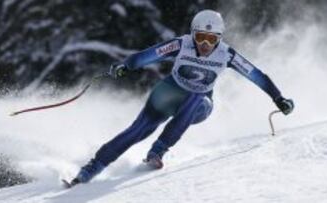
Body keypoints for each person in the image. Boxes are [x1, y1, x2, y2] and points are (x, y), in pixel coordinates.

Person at [69, 10, 294, 186]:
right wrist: (125, 67)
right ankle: (90, 169)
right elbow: (148, 56)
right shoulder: (181, 44)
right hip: (169, 92)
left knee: (197, 95)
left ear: (219, 39)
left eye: (211, 39)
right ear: (192, 34)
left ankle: (158, 149)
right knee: (138, 130)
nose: (205, 44)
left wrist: (278, 98)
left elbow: (257, 76)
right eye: (200, 37)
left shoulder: (227, 54)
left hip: (198, 105)